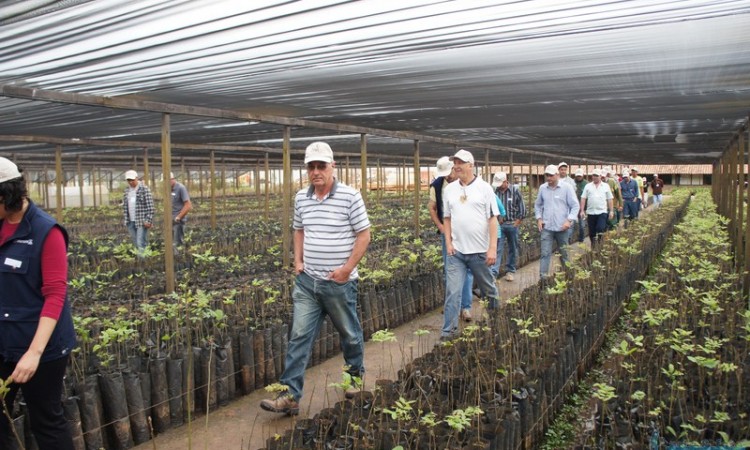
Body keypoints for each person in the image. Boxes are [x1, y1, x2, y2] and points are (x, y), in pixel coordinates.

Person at [261, 142, 370, 415]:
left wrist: (346, 270)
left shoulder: (350, 196)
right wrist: (297, 261)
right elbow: (298, 230)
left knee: (350, 336)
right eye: (311, 166)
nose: (316, 171)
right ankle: (290, 395)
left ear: (333, 167)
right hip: (308, 282)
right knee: (298, 336)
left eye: (321, 166)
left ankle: (354, 380)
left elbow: (364, 235)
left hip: (339, 284)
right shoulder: (301, 198)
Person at [0, 157, 76, 450]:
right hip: (4, 339)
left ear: (6, 195)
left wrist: (33, 353)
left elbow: (55, 294)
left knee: (46, 419)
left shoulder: (46, 231)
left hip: (41, 346)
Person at [442, 149, 501, 340]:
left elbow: (493, 219)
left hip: (480, 252)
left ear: (471, 165)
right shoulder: (449, 189)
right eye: (455, 163)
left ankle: (497, 322)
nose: (457, 166)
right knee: (453, 292)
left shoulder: (485, 188)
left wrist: (492, 248)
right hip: (457, 252)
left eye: (461, 163)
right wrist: (448, 243)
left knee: (489, 290)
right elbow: (447, 218)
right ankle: (448, 332)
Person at [428, 157, 475, 322]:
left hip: (467, 233)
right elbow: (432, 207)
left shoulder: (468, 184)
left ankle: (466, 307)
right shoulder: (437, 185)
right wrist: (441, 227)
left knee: (468, 270)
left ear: (455, 168)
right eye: (445, 174)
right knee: (450, 270)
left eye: (449, 173)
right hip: (448, 234)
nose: (447, 177)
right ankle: (452, 306)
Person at [535, 164, 580, 279]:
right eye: (547, 175)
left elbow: (575, 206)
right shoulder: (543, 188)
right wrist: (539, 218)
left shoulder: (567, 188)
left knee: (564, 253)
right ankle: (543, 279)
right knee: (545, 253)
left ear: (557, 175)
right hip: (547, 227)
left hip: (562, 228)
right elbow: (538, 205)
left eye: (551, 175)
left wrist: (569, 220)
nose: (548, 178)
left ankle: (568, 276)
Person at [492, 171, 526, 281]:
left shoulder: (515, 191)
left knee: (513, 248)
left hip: (512, 224)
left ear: (506, 181)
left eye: (500, 184)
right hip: (499, 225)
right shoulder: (495, 192)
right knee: (497, 249)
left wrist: (516, 223)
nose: (498, 186)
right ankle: (493, 274)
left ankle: (510, 271)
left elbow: (522, 208)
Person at [122, 170, 155, 256]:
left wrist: (148, 220)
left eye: (132, 180)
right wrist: (126, 219)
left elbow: (150, 206)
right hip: (130, 221)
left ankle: (142, 262)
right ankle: (143, 259)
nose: (131, 182)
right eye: (129, 180)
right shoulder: (127, 191)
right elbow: (125, 205)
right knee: (135, 242)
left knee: (140, 242)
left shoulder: (144, 189)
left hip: (141, 220)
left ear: (137, 178)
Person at [579, 169, 614, 246]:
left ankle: (600, 242)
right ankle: (594, 246)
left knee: (600, 228)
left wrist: (611, 211)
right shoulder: (588, 186)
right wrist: (582, 210)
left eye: (596, 176)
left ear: (600, 176)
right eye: (593, 175)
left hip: (602, 212)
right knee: (592, 232)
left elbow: (610, 199)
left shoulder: (605, 186)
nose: (595, 177)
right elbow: (583, 198)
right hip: (591, 212)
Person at [488, 177, 507, 279]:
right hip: (486, 234)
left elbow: (503, 211)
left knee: (492, 255)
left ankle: (491, 279)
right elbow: (503, 211)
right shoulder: (494, 196)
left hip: (494, 233)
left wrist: (498, 221)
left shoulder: (493, 197)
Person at [170, 172, 192, 249]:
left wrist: (178, 217)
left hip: (178, 220)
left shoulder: (181, 188)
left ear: (172, 179)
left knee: (177, 242)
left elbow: (188, 205)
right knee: (171, 242)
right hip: (171, 220)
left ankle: (180, 257)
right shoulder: (169, 189)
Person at [573, 169, 588, 243]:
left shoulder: (586, 184)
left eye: (580, 176)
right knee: (571, 225)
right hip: (573, 208)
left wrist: (585, 209)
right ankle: (568, 241)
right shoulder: (572, 183)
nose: (579, 177)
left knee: (582, 225)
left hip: (583, 208)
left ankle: (581, 239)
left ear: (583, 176)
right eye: (577, 176)